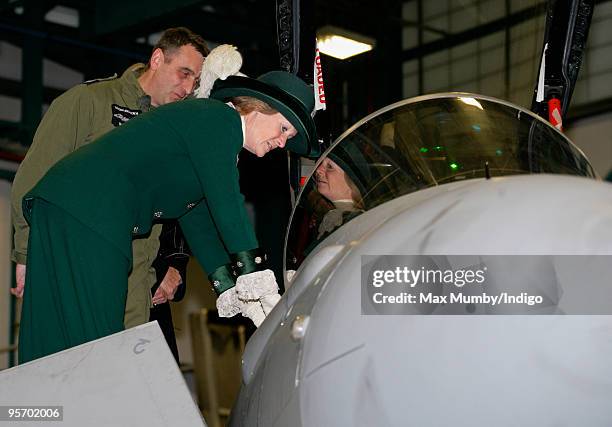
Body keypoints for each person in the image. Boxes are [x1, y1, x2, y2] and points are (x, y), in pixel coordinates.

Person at [17, 70, 317, 363]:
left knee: (53, 330)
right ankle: (88, 409)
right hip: (93, 210)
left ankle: (48, 410)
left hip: (66, 204)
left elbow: (197, 218)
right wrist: (255, 273)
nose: (282, 143)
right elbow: (228, 202)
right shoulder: (220, 120)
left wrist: (228, 285)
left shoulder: (209, 129)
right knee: (97, 337)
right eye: (284, 129)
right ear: (259, 109)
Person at [10, 28, 209, 346]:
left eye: (194, 82)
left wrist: (174, 262)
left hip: (136, 286)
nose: (187, 89)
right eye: (183, 74)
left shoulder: (171, 130)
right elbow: (33, 180)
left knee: (120, 384)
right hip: (78, 270)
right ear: (157, 59)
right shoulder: (89, 102)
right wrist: (25, 255)